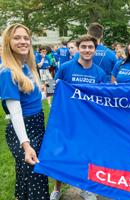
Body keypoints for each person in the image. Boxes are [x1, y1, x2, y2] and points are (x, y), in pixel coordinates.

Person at [51, 35, 105, 200]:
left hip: (88, 122)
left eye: (90, 47)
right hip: (67, 119)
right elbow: (54, 90)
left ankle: (84, 187)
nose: (87, 50)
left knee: (86, 154)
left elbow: (102, 99)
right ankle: (57, 189)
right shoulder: (66, 67)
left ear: (95, 50)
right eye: (84, 47)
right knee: (62, 153)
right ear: (77, 48)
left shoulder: (100, 72)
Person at [0, 23, 49, 199]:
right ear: (8, 42)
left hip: (36, 124)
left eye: (26, 38)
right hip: (23, 130)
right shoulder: (7, 72)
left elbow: (34, 98)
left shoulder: (27, 66)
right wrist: (26, 146)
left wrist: (52, 91)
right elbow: (15, 113)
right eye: (17, 37)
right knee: (35, 177)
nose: (23, 41)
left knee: (27, 176)